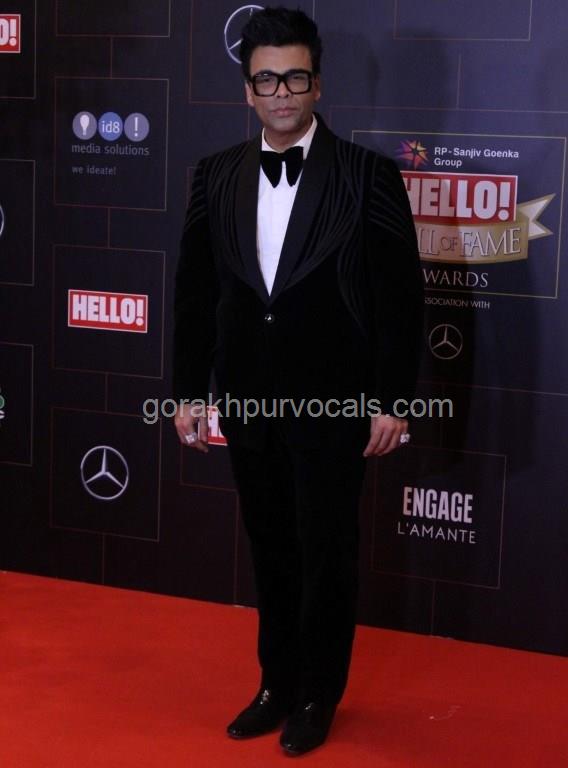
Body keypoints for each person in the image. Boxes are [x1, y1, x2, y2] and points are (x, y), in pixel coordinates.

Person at [173, 7, 423, 757]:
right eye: (266, 80)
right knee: (271, 547)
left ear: (317, 83)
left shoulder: (368, 175)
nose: (280, 93)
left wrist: (393, 400)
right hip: (248, 399)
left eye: (294, 77)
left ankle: (318, 693)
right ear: (247, 90)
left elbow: (399, 299)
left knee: (327, 552)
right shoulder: (215, 174)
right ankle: (275, 684)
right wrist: (188, 390)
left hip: (334, 402)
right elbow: (195, 292)